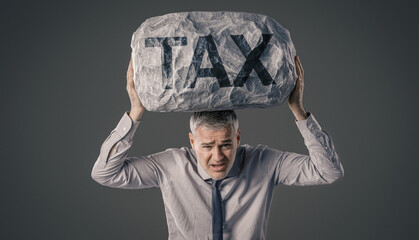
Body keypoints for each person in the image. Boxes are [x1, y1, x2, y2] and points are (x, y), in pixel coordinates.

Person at [91, 56, 344, 240]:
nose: (218, 156)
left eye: (225, 144)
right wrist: (134, 114)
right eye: (207, 146)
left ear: (237, 138)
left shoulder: (263, 163)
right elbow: (105, 173)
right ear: (192, 141)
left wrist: (299, 111)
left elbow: (328, 172)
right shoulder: (170, 166)